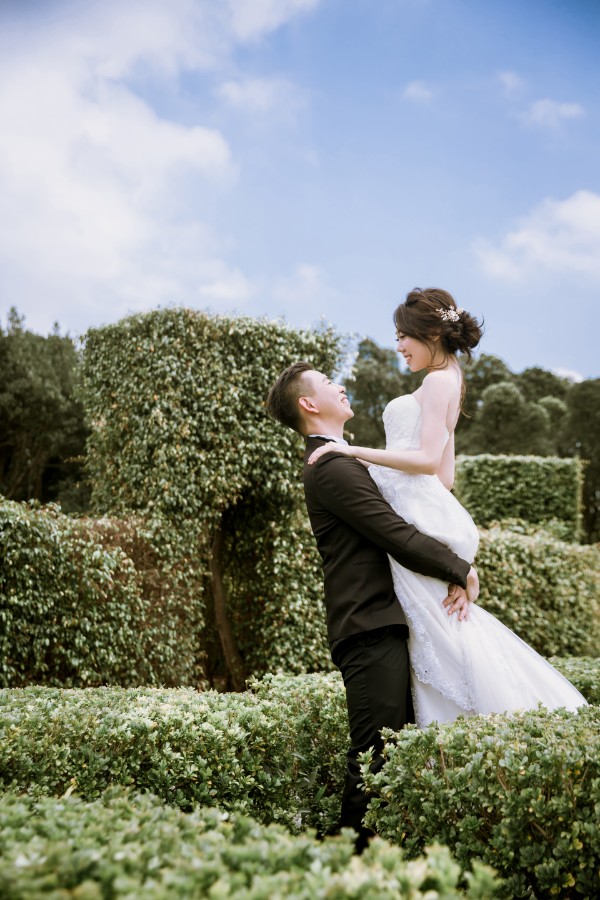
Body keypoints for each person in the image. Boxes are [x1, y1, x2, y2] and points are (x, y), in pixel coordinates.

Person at [308, 287, 587, 727]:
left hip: (412, 515)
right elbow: (445, 477)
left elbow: (424, 463)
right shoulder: (450, 380)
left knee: (439, 636)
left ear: (432, 333)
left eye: (403, 336)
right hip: (420, 509)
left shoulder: (438, 381)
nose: (398, 346)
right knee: (441, 633)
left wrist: (355, 453)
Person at [266, 359, 479, 853]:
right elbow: (393, 532)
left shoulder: (343, 459)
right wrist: (459, 570)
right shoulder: (333, 466)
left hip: (385, 622)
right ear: (308, 403)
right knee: (375, 757)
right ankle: (346, 867)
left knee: (392, 752)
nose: (340, 386)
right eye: (327, 382)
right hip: (366, 627)